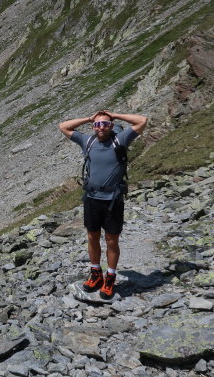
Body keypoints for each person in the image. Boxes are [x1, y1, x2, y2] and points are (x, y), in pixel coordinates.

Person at [58, 110, 148, 299]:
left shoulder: (121, 139)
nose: (101, 128)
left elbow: (142, 120)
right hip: (92, 198)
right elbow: (63, 126)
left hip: (113, 200)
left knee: (111, 240)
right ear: (93, 127)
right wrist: (90, 118)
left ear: (112, 126)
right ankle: (96, 273)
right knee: (92, 236)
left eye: (105, 124)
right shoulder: (87, 141)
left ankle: (110, 277)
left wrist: (114, 115)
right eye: (98, 125)